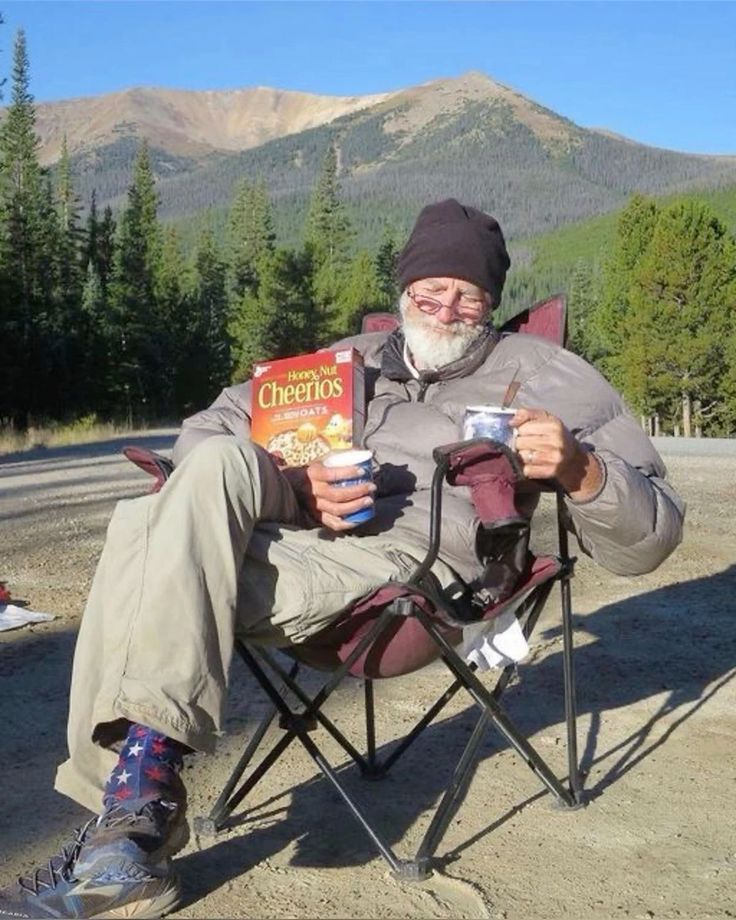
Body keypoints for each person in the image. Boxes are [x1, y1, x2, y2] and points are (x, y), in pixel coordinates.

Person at [0, 199, 685, 919]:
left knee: (145, 536)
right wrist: (296, 487)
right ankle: (132, 821)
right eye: (429, 291)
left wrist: (583, 472)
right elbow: (202, 434)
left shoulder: (554, 375)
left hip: (410, 576)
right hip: (304, 542)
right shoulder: (337, 366)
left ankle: (130, 814)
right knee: (211, 468)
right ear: (403, 292)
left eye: (468, 295)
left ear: (492, 302)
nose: (446, 309)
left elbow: (653, 538)